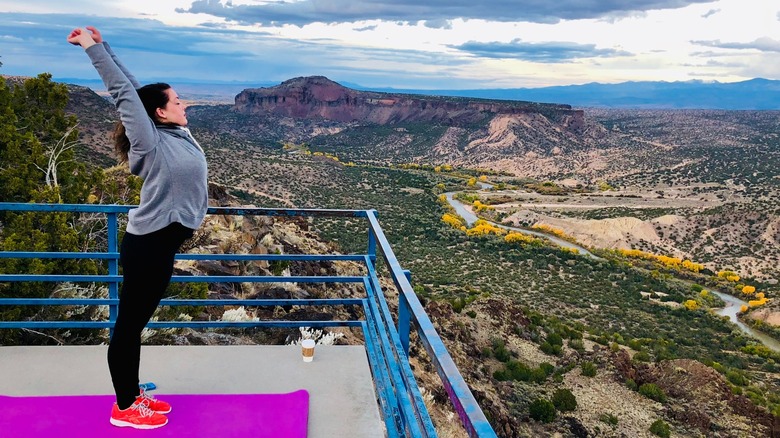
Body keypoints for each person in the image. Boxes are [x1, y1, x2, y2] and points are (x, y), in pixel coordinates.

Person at [67, 26, 209, 430]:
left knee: (135, 324)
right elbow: (126, 95)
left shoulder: (175, 132)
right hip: (149, 246)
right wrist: (92, 49)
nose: (184, 106)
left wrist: (106, 43)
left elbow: (137, 89)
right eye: (178, 101)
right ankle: (125, 407)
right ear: (160, 113)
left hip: (161, 246)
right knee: (128, 327)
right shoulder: (149, 141)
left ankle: (132, 397)